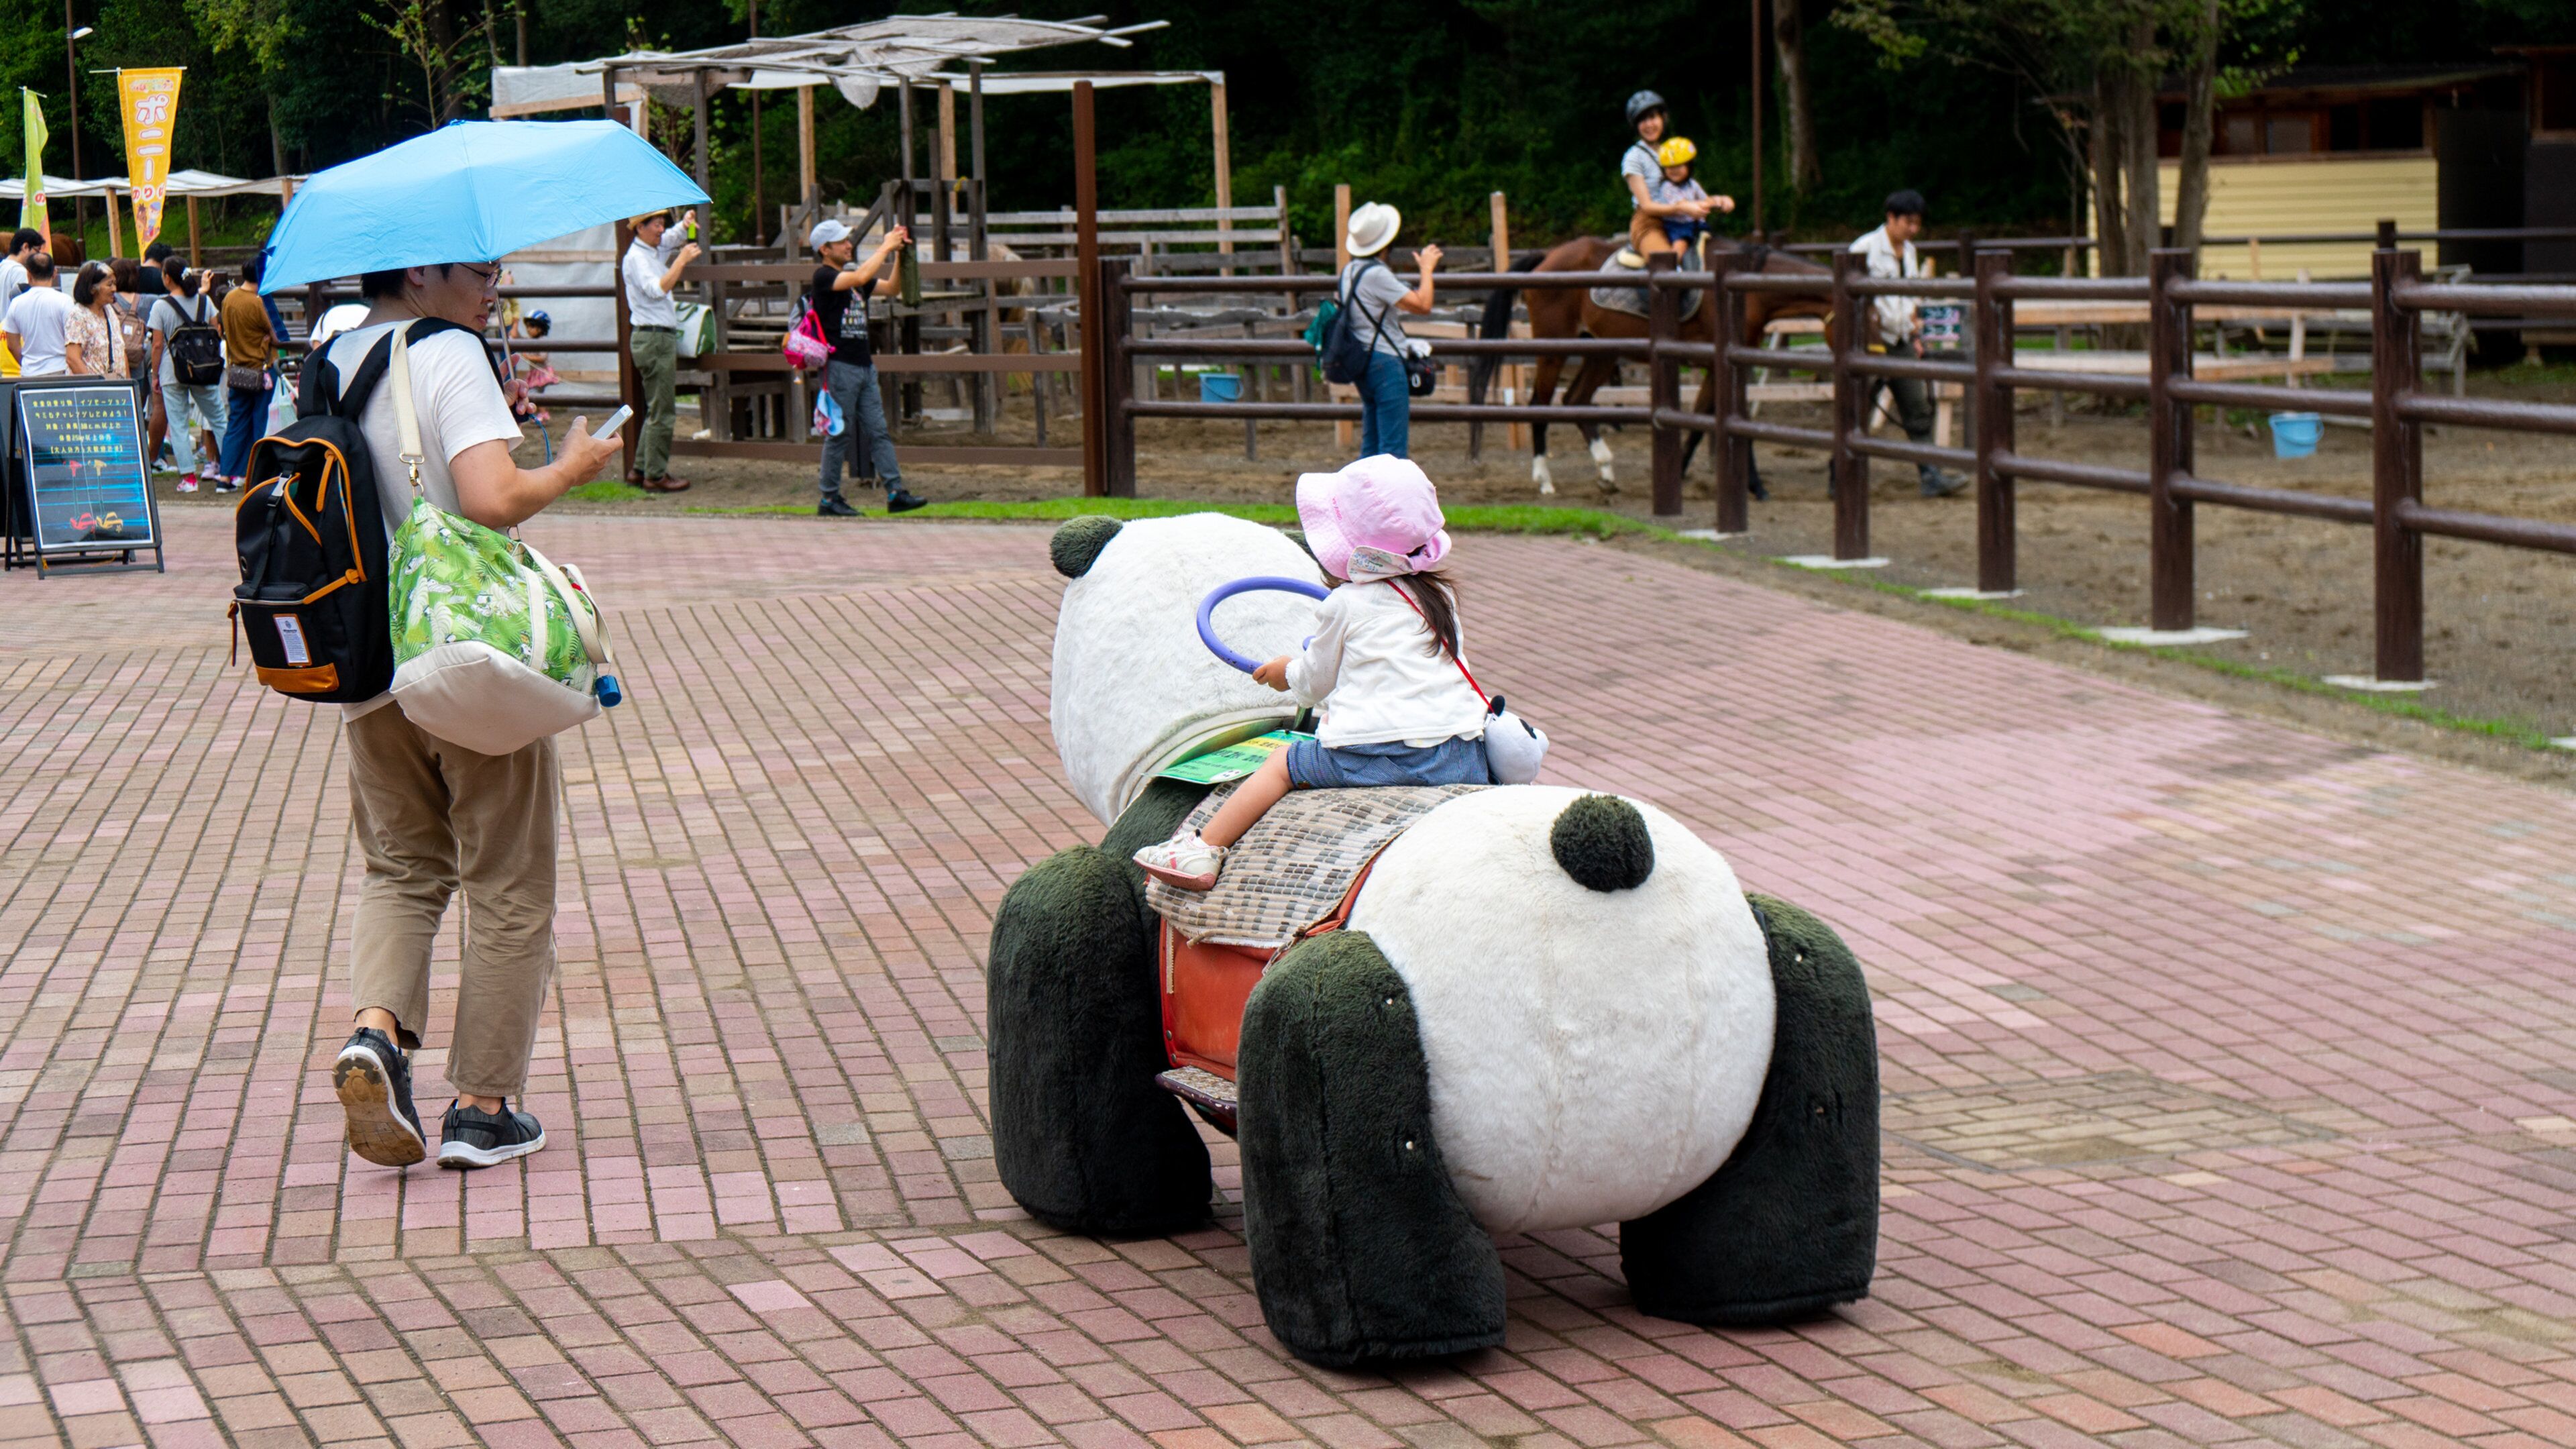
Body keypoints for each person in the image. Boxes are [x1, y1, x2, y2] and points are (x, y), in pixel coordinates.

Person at [319, 254, 622, 1173]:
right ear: (420, 273)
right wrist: (571, 466)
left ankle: (375, 1036)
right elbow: (490, 501)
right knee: (507, 879)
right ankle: (484, 1110)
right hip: (461, 662)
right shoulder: (447, 353)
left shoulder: (329, 354)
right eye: (476, 269)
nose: (493, 284)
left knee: (403, 867)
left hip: (364, 660)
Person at [1133, 455, 1491, 892]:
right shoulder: (1441, 595)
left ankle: (1201, 849)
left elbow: (1312, 684)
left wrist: (1286, 672)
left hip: (1381, 754)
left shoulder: (1346, 605)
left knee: (1282, 765)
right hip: (1459, 752)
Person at [808, 218, 928, 517]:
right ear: (825, 249)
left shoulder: (854, 280)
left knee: (880, 432)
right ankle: (829, 499)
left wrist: (898, 254)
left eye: (848, 240)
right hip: (840, 368)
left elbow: (892, 287)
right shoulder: (824, 278)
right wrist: (885, 246)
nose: (849, 245)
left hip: (864, 366)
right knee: (838, 435)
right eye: (842, 242)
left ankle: (896, 492)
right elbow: (861, 276)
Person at [1851, 190, 1967, 498]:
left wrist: (1915, 335)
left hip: (1901, 339)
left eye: (1917, 223)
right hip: (1875, 342)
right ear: (1891, 218)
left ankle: (1931, 475)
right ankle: (1842, 476)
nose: (1913, 229)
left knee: (1917, 407)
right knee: (1858, 409)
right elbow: (1850, 298)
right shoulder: (1864, 249)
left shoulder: (1911, 252)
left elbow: (1911, 295)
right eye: (1908, 222)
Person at [1336, 203, 1440, 461]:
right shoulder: (1376, 275)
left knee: (1371, 449)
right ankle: (1389, 501)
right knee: (1393, 453)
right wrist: (1426, 269)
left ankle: (1361, 501)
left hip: (1362, 361)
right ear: (1387, 244)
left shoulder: (1349, 271)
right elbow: (1423, 304)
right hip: (1385, 362)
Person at [621, 209, 700, 492]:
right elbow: (658, 289)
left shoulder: (651, 248)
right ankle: (655, 475)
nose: (660, 229)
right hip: (654, 338)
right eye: (655, 224)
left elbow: (672, 238)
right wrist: (681, 260)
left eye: (662, 224)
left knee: (656, 406)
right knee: (663, 409)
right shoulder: (638, 259)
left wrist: (686, 224)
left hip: (653, 337)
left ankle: (640, 469)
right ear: (639, 227)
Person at [1621, 91, 1731, 261]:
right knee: (1666, 264)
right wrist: (1682, 208)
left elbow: (1690, 191)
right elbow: (1647, 206)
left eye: (1653, 117)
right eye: (1642, 120)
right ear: (1635, 125)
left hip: (1682, 221)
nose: (1649, 124)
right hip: (1651, 222)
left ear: (1663, 118)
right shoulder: (1633, 157)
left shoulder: (1671, 150)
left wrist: (1718, 201)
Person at [150, 260, 227, 492]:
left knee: (179, 424)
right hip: (203, 367)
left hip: (171, 370)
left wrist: (155, 375)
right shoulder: (205, 301)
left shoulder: (161, 306)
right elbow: (217, 332)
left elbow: (156, 345)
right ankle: (230, 471)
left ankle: (189, 479)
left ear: (167, 278)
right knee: (219, 419)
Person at [218, 254, 280, 484]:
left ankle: (225, 475)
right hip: (261, 371)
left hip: (237, 371)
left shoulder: (230, 298)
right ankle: (256, 475)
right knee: (259, 422)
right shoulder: (258, 301)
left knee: (236, 423)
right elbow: (278, 336)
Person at [1, 252, 77, 376]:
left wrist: (25, 363)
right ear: (54, 273)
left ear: (28, 274)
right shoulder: (65, 301)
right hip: (60, 370)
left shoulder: (16, 303)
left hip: (30, 373)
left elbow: (11, 344)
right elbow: (73, 338)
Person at [62, 262, 125, 378]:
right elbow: (72, 359)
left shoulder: (109, 311)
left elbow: (121, 350)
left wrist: (128, 384)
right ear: (92, 289)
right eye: (109, 285)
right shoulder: (78, 316)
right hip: (93, 392)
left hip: (115, 388)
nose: (114, 289)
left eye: (115, 284)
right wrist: (95, 387)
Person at [109, 258, 153, 380]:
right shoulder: (147, 300)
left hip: (116, 359)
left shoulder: (108, 301)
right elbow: (172, 298)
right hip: (140, 358)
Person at [0, 228, 41, 315]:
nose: (38, 256)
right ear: (25, 247)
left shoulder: (2, 267)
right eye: (37, 251)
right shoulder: (20, 272)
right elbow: (24, 308)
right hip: (10, 327)